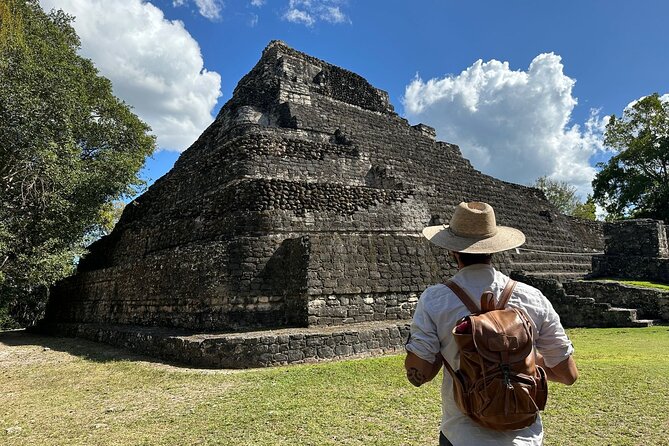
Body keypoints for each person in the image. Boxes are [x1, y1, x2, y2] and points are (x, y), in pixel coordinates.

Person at [404, 201, 578, 446]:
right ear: (494, 249)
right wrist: (522, 361)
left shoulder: (435, 299)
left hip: (462, 434)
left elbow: (418, 373)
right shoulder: (532, 297)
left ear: (453, 252)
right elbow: (568, 374)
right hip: (524, 436)